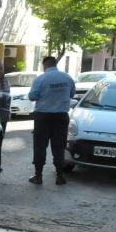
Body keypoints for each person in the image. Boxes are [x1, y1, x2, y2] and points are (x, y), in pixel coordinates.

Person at [27, 56, 76, 185]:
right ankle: (60, 176)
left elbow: (32, 96)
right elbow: (72, 94)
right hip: (61, 116)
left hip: (43, 117)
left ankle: (38, 176)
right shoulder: (67, 78)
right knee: (59, 147)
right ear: (55, 64)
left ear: (45, 65)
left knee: (40, 147)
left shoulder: (40, 79)